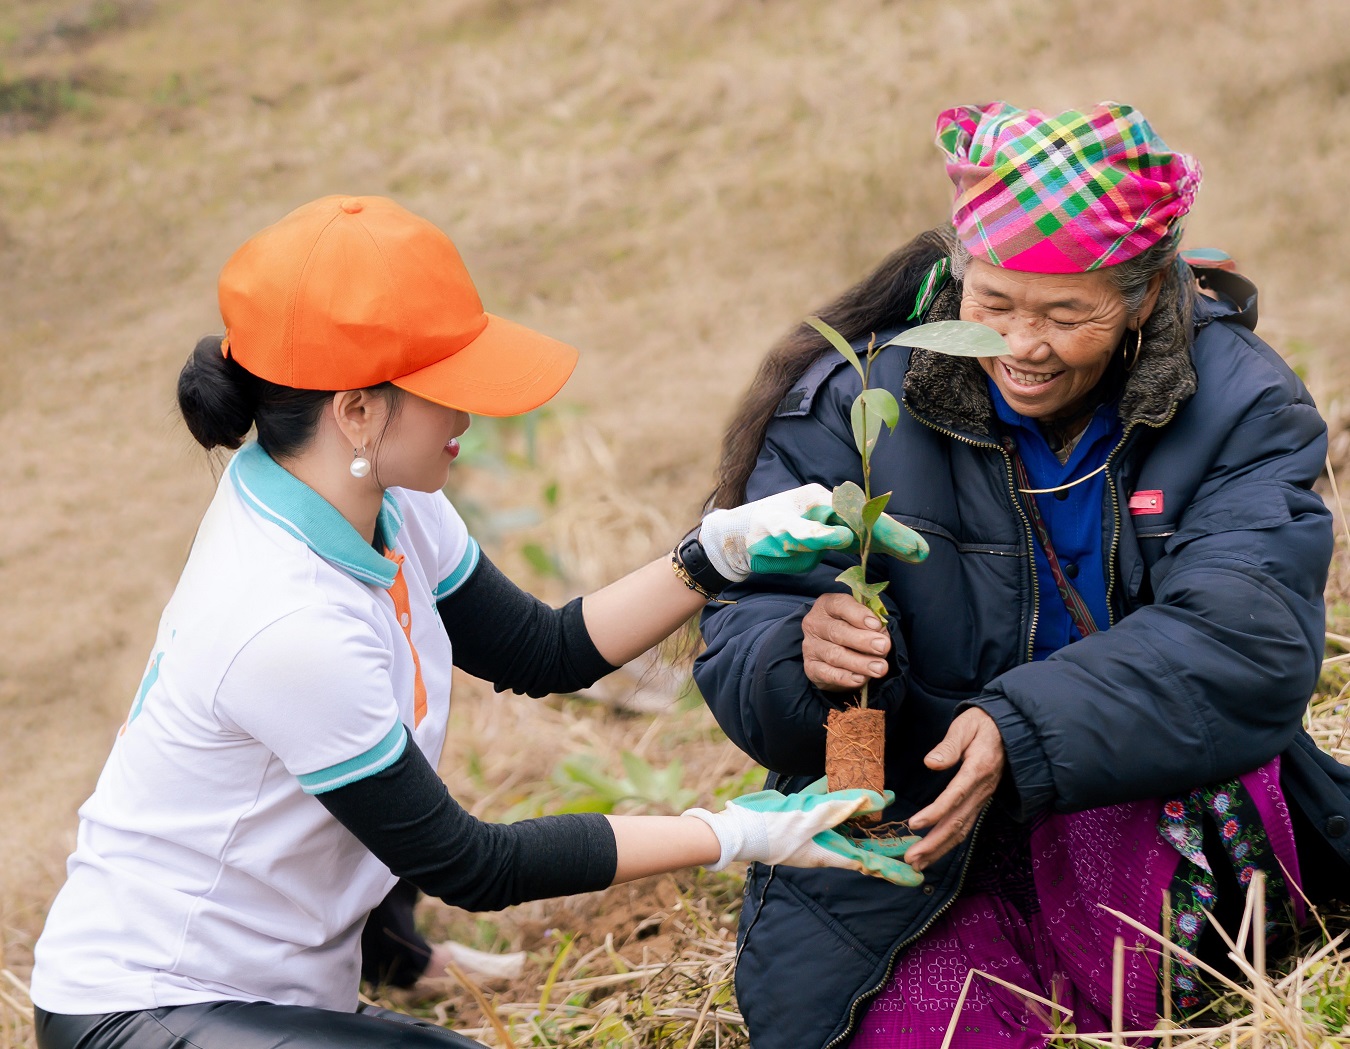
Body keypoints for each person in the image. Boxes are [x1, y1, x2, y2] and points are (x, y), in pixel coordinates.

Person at [27, 195, 929, 1049]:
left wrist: (714, 555)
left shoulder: (370, 490)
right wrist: (739, 830)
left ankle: (391, 955)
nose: (470, 413)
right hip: (144, 1010)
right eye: (447, 389)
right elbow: (473, 865)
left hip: (268, 983)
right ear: (356, 410)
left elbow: (547, 650)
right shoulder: (281, 617)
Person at [694, 101, 1350, 1049]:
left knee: (1142, 980)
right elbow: (748, 613)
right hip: (914, 797)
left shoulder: (1239, 402)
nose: (1021, 346)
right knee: (914, 1028)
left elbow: (1247, 638)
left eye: (1065, 314)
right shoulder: (855, 402)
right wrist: (805, 656)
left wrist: (1022, 728)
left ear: (1141, 296)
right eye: (993, 306)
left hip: (1137, 779)